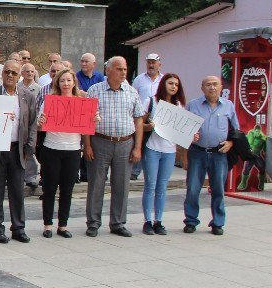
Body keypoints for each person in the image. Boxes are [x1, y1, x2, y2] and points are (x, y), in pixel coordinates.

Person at [84, 56, 145, 237]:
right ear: (108, 70)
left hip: (125, 143)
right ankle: (93, 222)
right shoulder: (95, 90)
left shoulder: (132, 92)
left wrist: (138, 147)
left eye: (125, 69)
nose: (123, 73)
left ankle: (118, 223)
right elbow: (87, 119)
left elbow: (139, 119)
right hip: (100, 141)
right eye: (119, 69)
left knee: (122, 184)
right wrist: (87, 145)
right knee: (96, 184)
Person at [0, 60, 37, 243]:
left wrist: (28, 149)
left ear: (19, 76)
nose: (10, 75)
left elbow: (32, 124)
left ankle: (18, 228)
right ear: (2, 74)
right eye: (7, 72)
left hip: (17, 149)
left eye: (14, 73)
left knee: (17, 191)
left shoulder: (27, 96)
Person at [38, 69, 89, 238]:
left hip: (72, 150)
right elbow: (39, 125)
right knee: (49, 188)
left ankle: (63, 225)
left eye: (68, 80)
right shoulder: (50, 101)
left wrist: (92, 119)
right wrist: (41, 121)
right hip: (52, 148)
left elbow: (86, 128)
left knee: (67, 189)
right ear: (57, 83)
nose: (66, 84)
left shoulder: (81, 102)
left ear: (74, 82)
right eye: (62, 81)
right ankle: (47, 224)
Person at [184, 75, 238, 236]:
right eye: (208, 85)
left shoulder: (228, 106)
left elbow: (236, 131)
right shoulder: (193, 105)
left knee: (218, 190)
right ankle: (191, 221)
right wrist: (189, 136)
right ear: (202, 88)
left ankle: (218, 223)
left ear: (221, 87)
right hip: (197, 153)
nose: (212, 87)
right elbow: (183, 128)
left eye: (215, 84)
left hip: (219, 154)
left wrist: (231, 143)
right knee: (193, 188)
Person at [142, 73, 187, 235]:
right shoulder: (151, 101)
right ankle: (147, 220)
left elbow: (182, 130)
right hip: (152, 148)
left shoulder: (179, 105)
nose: (173, 86)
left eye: (176, 84)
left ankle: (158, 221)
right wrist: (150, 126)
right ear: (163, 84)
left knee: (162, 187)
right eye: (170, 83)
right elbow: (141, 124)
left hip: (169, 151)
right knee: (150, 185)